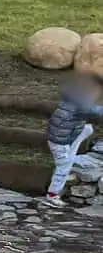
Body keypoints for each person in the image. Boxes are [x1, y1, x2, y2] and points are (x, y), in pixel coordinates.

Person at [45, 74, 103, 207]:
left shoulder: (72, 99)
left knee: (88, 129)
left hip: (66, 135)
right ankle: (52, 195)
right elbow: (95, 111)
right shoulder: (80, 104)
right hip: (60, 142)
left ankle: (72, 156)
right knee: (63, 167)